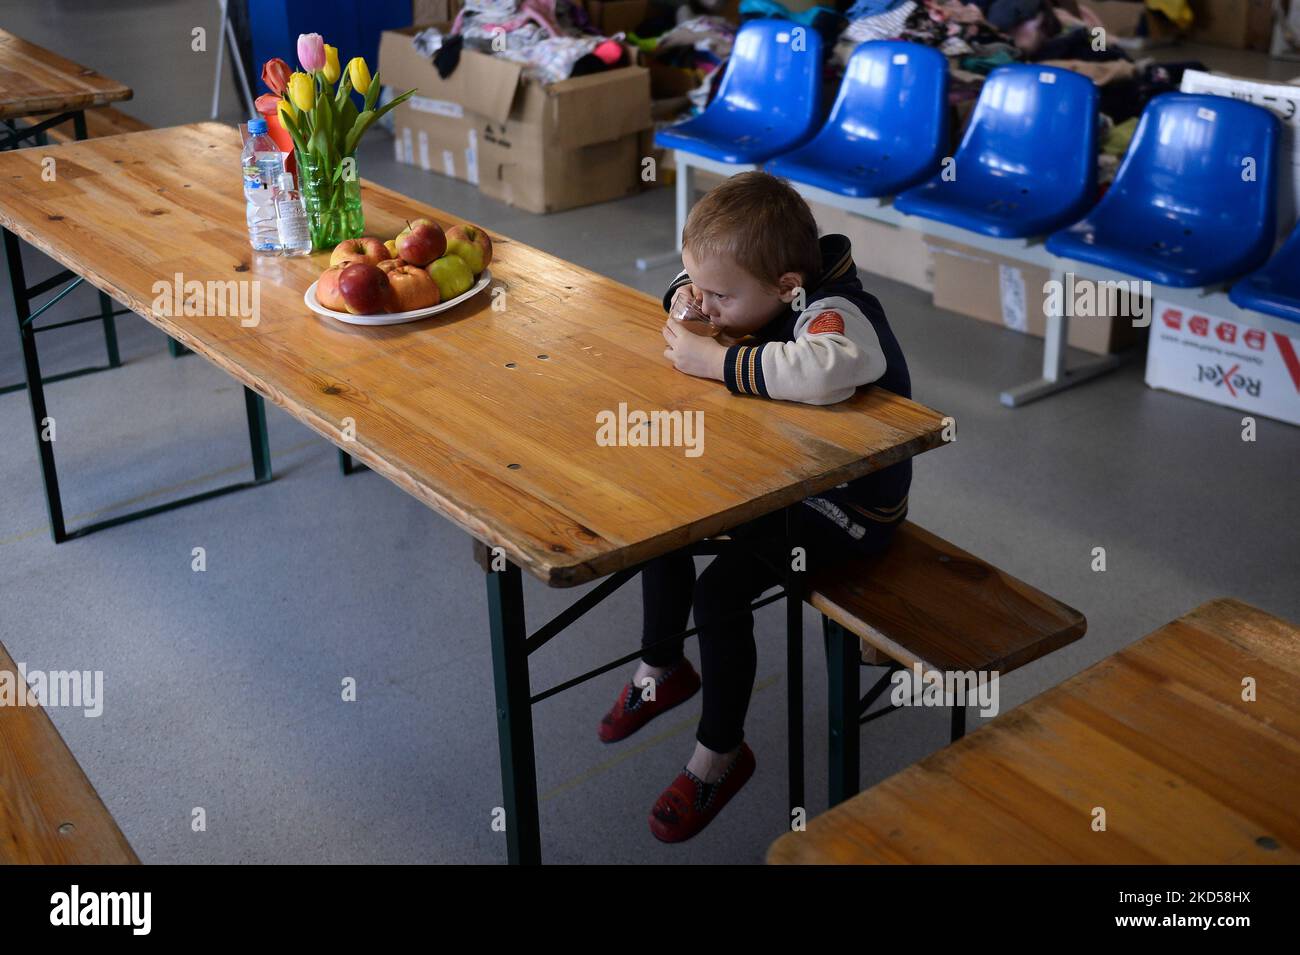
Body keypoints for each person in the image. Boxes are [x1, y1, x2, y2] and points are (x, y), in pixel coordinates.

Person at [598, 171, 915, 842]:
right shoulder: (761, 287)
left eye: (719, 296)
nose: (706, 306)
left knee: (719, 593)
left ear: (786, 286)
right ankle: (662, 667)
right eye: (701, 289)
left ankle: (719, 754)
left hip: (848, 508)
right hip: (783, 479)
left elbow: (826, 370)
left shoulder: (836, 310)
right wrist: (693, 301)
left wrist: (714, 362)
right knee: (662, 521)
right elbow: (704, 291)